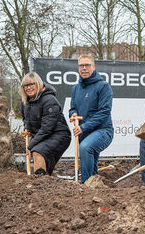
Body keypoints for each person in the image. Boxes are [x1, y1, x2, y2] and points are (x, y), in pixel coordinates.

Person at [69, 54, 113, 183]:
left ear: (93, 67)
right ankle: (93, 187)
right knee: (91, 165)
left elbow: (104, 112)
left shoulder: (103, 86)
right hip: (84, 132)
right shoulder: (75, 88)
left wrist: (83, 127)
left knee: (85, 147)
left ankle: (86, 185)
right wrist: (73, 114)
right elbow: (72, 108)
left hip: (102, 131)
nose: (84, 68)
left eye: (87, 65)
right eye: (81, 65)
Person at [20, 72, 71, 175]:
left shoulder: (50, 100)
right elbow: (25, 119)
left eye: (31, 84)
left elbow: (47, 128)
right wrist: (27, 128)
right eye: (26, 85)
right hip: (42, 135)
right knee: (40, 156)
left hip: (58, 135)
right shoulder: (25, 101)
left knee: (37, 151)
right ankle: (45, 183)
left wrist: (30, 146)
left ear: (38, 84)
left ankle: (40, 183)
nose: (28, 88)